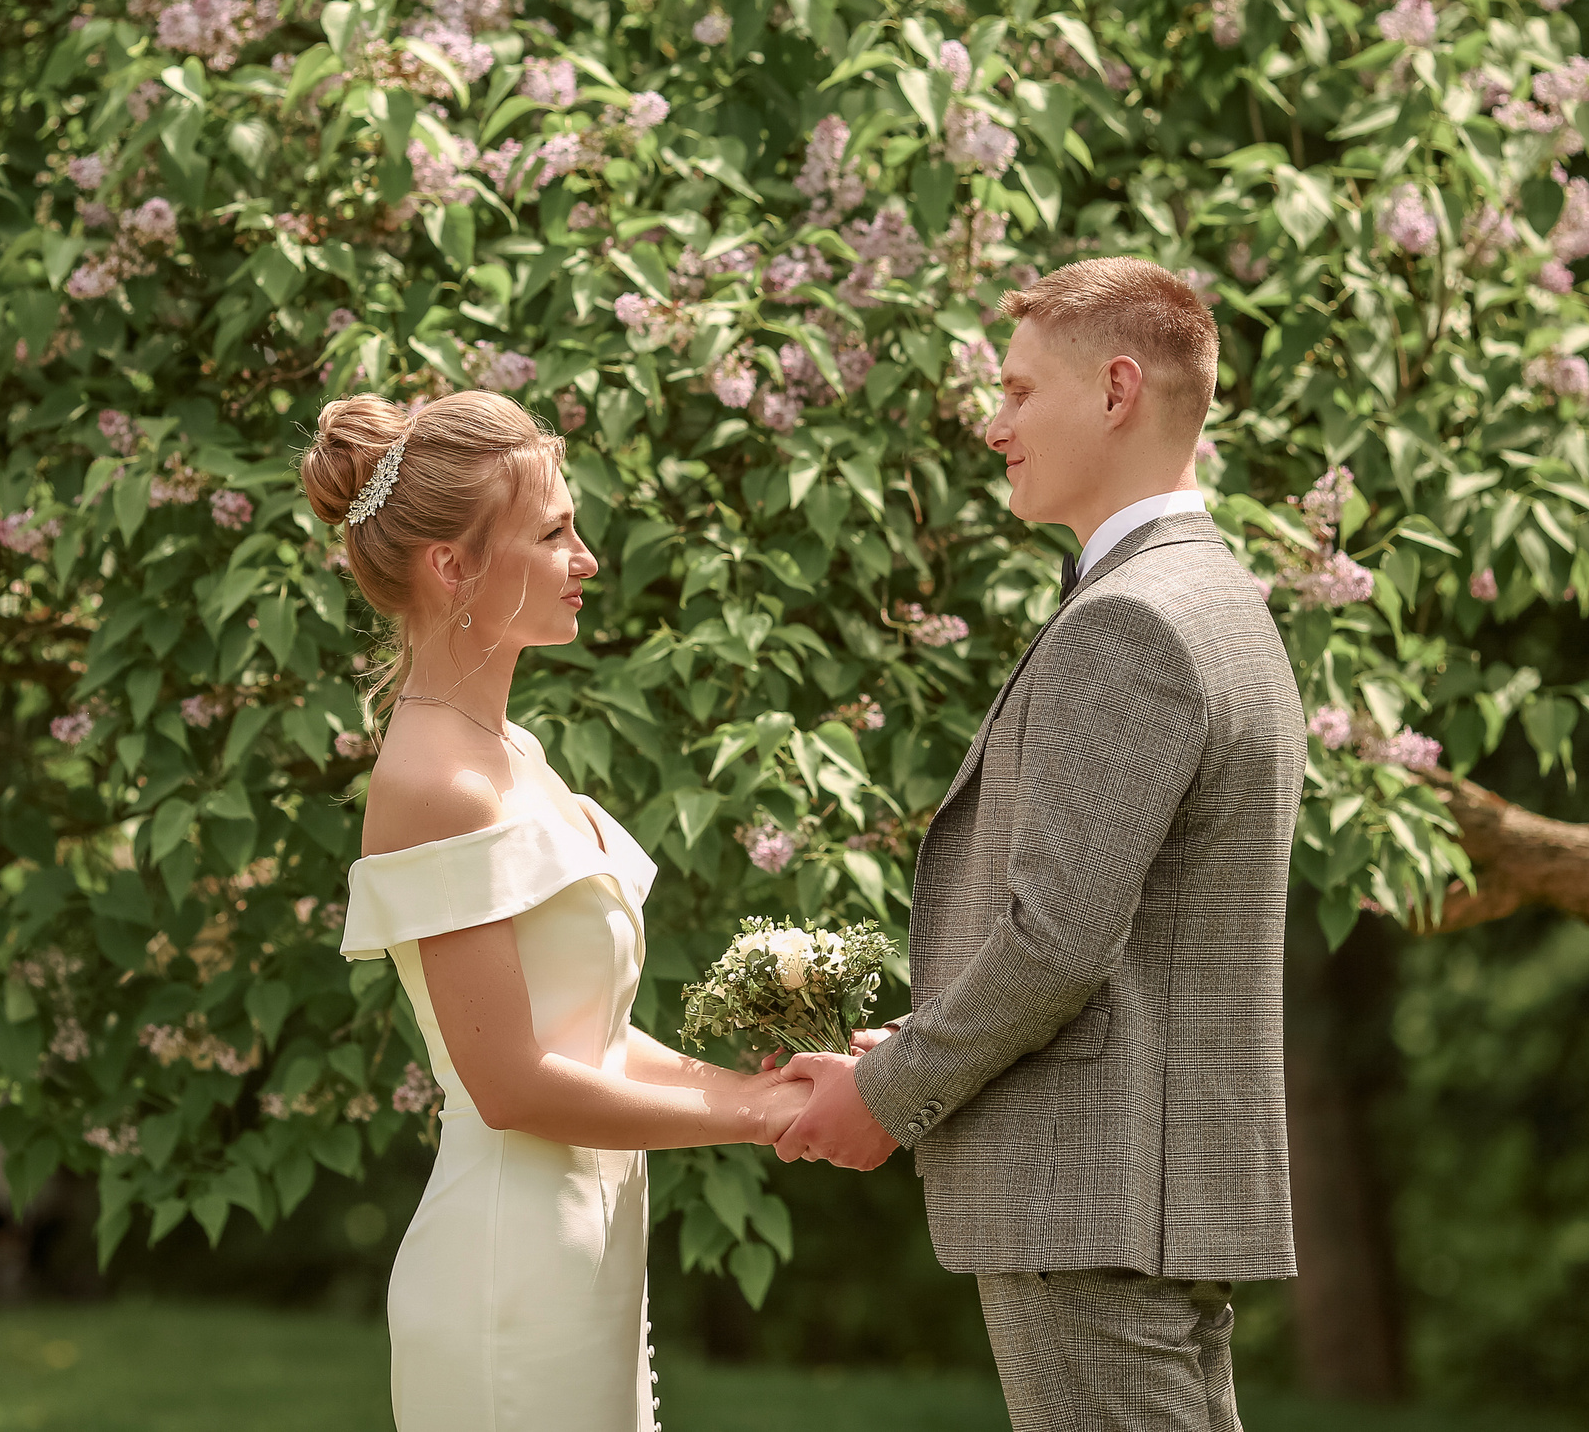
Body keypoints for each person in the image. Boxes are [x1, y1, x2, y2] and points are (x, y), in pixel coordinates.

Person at [772, 257, 1307, 1432]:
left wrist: (888, 1093)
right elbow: (1124, 930)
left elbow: (1055, 944)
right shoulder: (1217, 599)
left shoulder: (1129, 619)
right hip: (1136, 1198)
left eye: (1017, 391)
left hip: (1089, 1196)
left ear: (1116, 390)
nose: (993, 424)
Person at [303, 389, 807, 1432]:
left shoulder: (514, 755)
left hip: (585, 1257)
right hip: (508, 1275)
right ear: (453, 565)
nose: (587, 559)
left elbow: (591, 1040)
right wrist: (761, 1117)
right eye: (552, 533)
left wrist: (767, 1089)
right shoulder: (436, 783)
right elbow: (513, 1085)